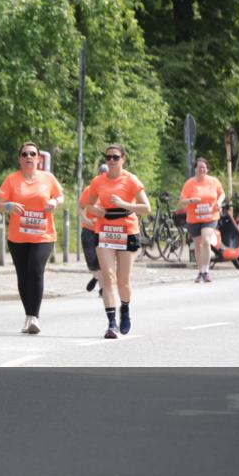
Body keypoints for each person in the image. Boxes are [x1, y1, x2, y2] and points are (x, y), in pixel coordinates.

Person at [0, 142, 64, 334]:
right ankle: (28, 316)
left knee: (35, 270)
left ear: (38, 158)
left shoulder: (47, 178)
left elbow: (60, 197)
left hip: (43, 235)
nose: (28, 157)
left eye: (32, 154)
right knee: (23, 276)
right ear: (20, 159)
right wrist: (8, 206)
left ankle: (35, 317)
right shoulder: (12, 180)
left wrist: (54, 202)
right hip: (18, 237)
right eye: (25, 154)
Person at [83, 144, 151, 339]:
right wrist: (97, 211)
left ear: (123, 159)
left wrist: (123, 204)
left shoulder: (131, 180)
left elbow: (146, 208)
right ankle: (111, 323)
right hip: (104, 230)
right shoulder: (98, 181)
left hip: (127, 230)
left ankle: (126, 309)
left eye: (115, 157)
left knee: (123, 281)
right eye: (108, 157)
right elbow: (88, 205)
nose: (111, 161)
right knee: (107, 276)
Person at [179, 157, 225, 283]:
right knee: (198, 245)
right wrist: (191, 201)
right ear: (195, 169)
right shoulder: (189, 183)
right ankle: (200, 272)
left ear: (207, 169)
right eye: (199, 167)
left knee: (206, 240)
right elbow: (182, 202)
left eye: (204, 167)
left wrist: (219, 202)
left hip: (210, 216)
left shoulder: (213, 181)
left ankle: (206, 271)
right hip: (194, 218)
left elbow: (222, 194)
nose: (202, 169)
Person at [79, 162, 108, 296]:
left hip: (103, 230)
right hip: (88, 229)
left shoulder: (111, 192)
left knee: (102, 261)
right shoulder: (89, 190)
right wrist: (85, 219)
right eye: (101, 175)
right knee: (91, 260)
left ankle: (103, 289)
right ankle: (95, 276)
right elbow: (80, 207)